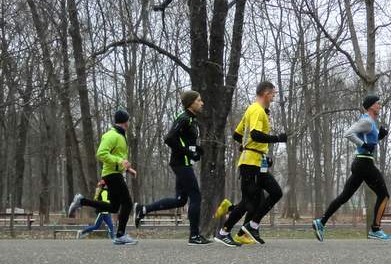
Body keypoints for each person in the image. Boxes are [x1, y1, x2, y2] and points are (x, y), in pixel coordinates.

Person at [214, 81, 287, 247]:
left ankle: (250, 227)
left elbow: (237, 134)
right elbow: (254, 134)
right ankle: (224, 232)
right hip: (249, 164)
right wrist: (277, 138)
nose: (274, 97)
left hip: (257, 161)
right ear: (266, 93)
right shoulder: (256, 110)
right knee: (249, 202)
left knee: (274, 193)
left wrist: (257, 151)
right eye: (273, 93)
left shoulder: (256, 110)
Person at [133, 91, 211, 246]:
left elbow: (184, 141)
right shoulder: (184, 118)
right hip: (180, 163)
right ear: (191, 103)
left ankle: (143, 209)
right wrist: (189, 152)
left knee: (180, 200)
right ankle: (194, 236)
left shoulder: (191, 120)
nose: (202, 103)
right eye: (199, 100)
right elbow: (169, 138)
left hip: (184, 162)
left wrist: (197, 150)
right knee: (195, 196)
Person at [312, 95, 391, 241]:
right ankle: (375, 229)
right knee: (384, 195)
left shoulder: (370, 122)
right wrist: (363, 144)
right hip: (364, 164)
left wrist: (379, 137)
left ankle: (321, 222)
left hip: (361, 163)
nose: (380, 105)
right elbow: (348, 133)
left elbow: (369, 144)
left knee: (344, 196)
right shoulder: (367, 121)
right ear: (371, 106)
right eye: (378, 103)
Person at [68, 109, 138, 245]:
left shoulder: (121, 135)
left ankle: (82, 201)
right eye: (128, 120)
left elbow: (118, 157)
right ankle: (120, 235)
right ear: (125, 121)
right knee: (128, 203)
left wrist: (128, 169)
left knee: (113, 207)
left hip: (114, 173)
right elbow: (101, 153)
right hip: (112, 175)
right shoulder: (111, 135)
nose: (129, 122)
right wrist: (119, 162)